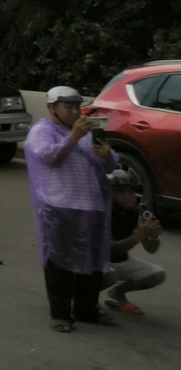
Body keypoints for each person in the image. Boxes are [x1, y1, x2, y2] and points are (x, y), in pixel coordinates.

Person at [25, 86, 118, 332]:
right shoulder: (42, 131)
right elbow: (48, 157)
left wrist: (108, 155)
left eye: (77, 107)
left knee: (92, 263)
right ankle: (61, 314)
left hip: (92, 206)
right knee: (60, 262)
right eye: (68, 107)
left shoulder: (87, 131)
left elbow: (109, 165)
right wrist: (73, 137)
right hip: (60, 206)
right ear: (52, 107)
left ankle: (86, 310)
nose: (74, 112)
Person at [103, 170, 165, 315]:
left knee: (157, 275)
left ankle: (117, 293)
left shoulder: (134, 213)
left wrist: (153, 236)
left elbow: (151, 250)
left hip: (119, 261)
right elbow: (109, 251)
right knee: (110, 276)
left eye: (131, 191)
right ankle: (84, 298)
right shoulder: (101, 213)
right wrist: (137, 236)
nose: (130, 196)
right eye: (122, 191)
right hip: (95, 262)